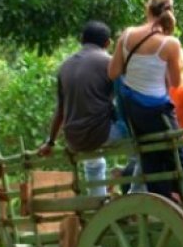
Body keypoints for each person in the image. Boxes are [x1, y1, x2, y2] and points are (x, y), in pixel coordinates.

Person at [108, 0, 183, 206]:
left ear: (147, 8)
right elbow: (176, 83)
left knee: (149, 158)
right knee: (178, 158)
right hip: (158, 111)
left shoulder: (126, 36)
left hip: (134, 112)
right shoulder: (170, 44)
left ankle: (163, 204)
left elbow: (113, 73)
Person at [38, 20, 124, 197]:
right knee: (139, 140)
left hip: (75, 138)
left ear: (81, 40)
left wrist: (50, 142)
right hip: (101, 134)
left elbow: (60, 111)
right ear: (108, 43)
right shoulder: (108, 62)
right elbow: (124, 98)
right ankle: (135, 186)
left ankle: (98, 204)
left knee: (94, 162)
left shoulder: (65, 66)